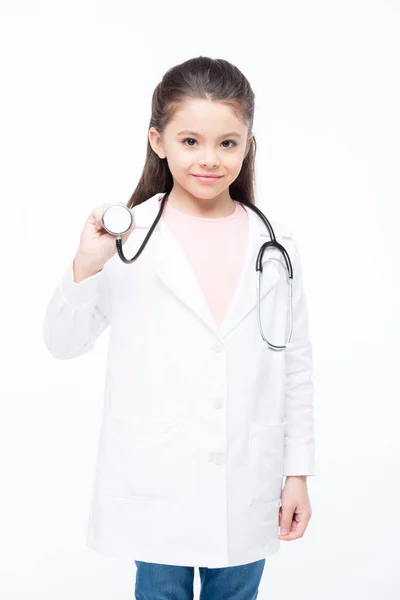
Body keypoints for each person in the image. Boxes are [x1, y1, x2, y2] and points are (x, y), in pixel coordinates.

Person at [43, 56, 315, 599]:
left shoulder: (275, 245)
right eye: (190, 141)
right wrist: (85, 264)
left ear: (248, 145)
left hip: (247, 476)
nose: (209, 160)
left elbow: (295, 366)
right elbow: (63, 343)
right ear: (158, 141)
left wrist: (297, 472)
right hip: (157, 479)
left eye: (227, 143)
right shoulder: (126, 236)